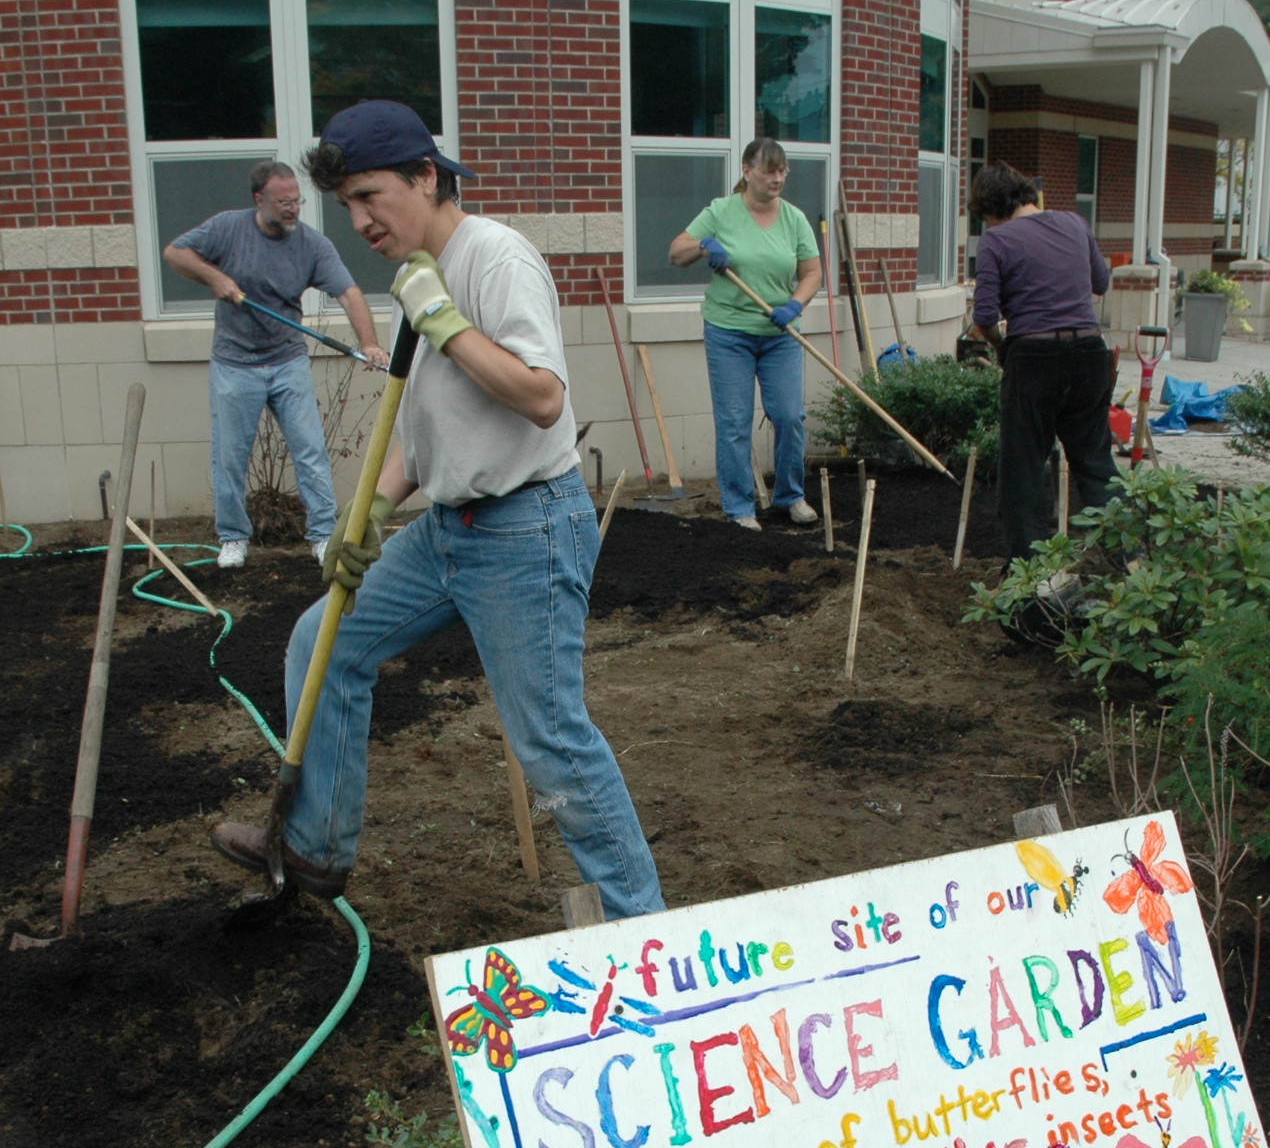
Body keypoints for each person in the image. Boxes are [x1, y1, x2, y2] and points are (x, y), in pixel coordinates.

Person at [209, 101, 665, 921]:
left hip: (526, 530)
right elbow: (421, 436)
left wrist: (444, 321)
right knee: (324, 643)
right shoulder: (418, 273)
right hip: (447, 532)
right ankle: (315, 846)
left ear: (426, 175)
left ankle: (643, 925)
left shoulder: (494, 258)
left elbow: (543, 398)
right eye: (345, 205)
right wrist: (372, 512)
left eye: (369, 196)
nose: (358, 222)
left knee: (550, 743)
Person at [164, 160, 389, 568]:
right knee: (230, 457)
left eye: (297, 201)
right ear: (259, 199)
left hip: (288, 361)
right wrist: (215, 278)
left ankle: (323, 536)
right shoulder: (227, 229)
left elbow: (349, 293)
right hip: (235, 364)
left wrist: (370, 344)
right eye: (284, 202)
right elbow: (175, 253)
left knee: (311, 451)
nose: (293, 209)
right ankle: (233, 538)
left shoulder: (312, 245)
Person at [667, 138, 823, 530]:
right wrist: (704, 246)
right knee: (735, 421)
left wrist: (795, 305)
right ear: (747, 170)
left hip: (780, 334)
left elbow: (812, 273)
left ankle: (790, 496)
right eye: (769, 170)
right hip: (729, 334)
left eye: (782, 170)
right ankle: (740, 508)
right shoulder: (722, 211)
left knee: (789, 415)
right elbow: (676, 252)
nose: (777, 178)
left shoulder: (794, 219)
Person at [967, 160, 1118, 562]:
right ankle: (1128, 561)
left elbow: (984, 317)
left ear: (992, 209)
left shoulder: (997, 240)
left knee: (1024, 467)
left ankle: (1034, 574)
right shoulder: (1075, 224)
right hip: (1089, 352)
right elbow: (1101, 282)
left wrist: (1001, 347)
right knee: (1096, 461)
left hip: (1033, 356)